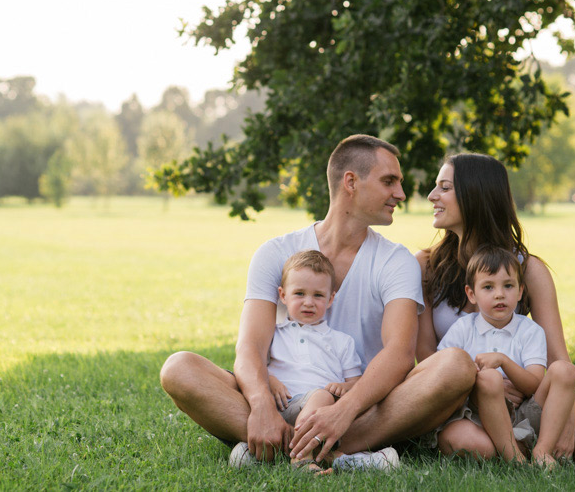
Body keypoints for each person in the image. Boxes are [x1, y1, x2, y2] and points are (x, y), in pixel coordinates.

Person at [160, 135, 476, 468]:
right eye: (389, 181)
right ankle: (329, 453)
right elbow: (251, 346)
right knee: (179, 369)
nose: (400, 193)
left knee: (456, 365)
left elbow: (399, 354)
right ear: (351, 182)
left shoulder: (396, 261)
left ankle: (289, 450)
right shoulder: (276, 252)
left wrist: (343, 410)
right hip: (283, 399)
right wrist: (262, 405)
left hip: (360, 409)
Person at [416, 152, 575, 462]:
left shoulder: (528, 269)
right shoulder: (427, 267)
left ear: (476, 195)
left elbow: (558, 359)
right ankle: (516, 448)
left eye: (444, 187)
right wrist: (481, 388)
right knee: (474, 447)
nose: (432, 196)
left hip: (532, 397)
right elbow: (427, 358)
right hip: (465, 402)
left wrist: (566, 421)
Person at [229, 249, 396, 473]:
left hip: (324, 415)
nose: (309, 302)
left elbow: (356, 383)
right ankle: (328, 459)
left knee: (322, 395)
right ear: (283, 295)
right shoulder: (273, 334)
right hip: (280, 407)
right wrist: (270, 380)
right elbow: (253, 364)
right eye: (299, 293)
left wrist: (344, 387)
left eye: (318, 295)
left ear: (330, 299)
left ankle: (296, 458)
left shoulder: (341, 341)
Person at [435, 244, 575, 468]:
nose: (499, 294)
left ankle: (542, 450)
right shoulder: (463, 328)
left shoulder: (529, 330)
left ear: (520, 291)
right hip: (478, 415)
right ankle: (515, 457)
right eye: (488, 287)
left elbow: (533, 384)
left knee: (565, 370)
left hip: (524, 413)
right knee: (488, 380)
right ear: (471, 294)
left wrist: (503, 361)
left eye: (508, 286)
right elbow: (441, 373)